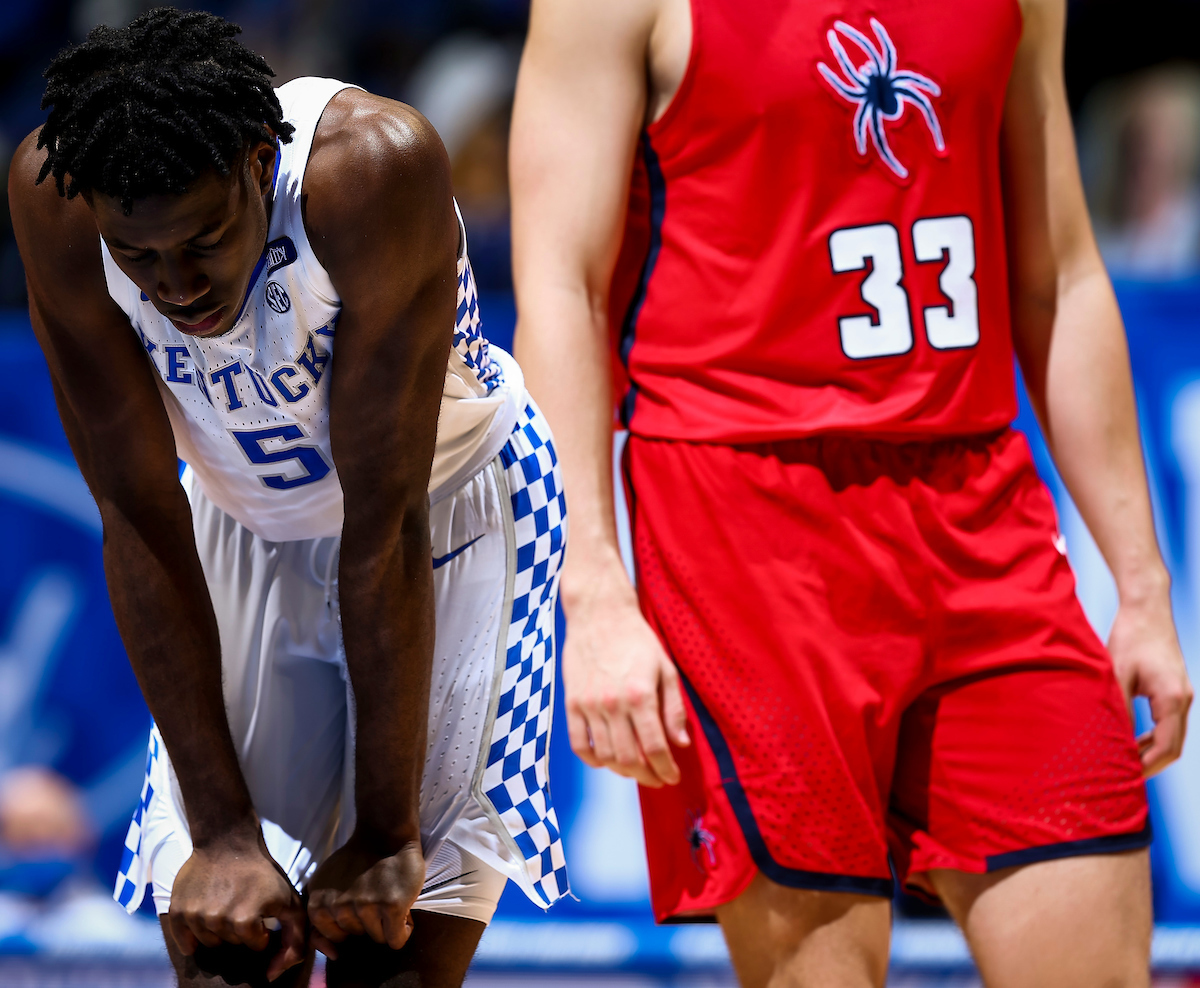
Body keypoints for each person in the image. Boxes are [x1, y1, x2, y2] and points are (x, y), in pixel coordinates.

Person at [510, 0, 1194, 984]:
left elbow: (1060, 278)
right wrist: (593, 592)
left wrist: (1142, 586)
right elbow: (560, 293)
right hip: (739, 523)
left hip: (977, 499)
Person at [8, 8, 568, 987]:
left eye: (204, 242)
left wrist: (388, 832)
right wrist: (223, 832)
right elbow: (138, 512)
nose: (177, 285)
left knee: (385, 953)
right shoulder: (55, 192)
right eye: (141, 259)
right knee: (228, 943)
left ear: (262, 162)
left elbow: (383, 518)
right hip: (242, 515)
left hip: (444, 515)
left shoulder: (369, 168)